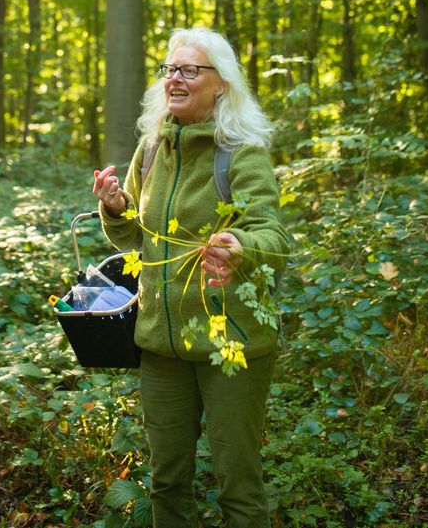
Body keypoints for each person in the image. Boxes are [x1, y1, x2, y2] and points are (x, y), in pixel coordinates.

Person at [92, 26, 291, 528]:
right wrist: (116, 208)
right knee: (167, 483)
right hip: (162, 346)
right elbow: (137, 239)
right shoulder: (153, 149)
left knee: (237, 486)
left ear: (220, 83)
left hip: (233, 345)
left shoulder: (240, 153)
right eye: (169, 70)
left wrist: (239, 247)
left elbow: (274, 237)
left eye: (189, 70)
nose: (174, 79)